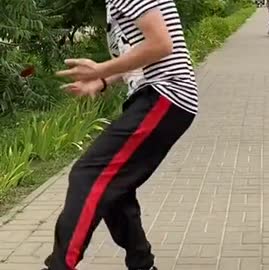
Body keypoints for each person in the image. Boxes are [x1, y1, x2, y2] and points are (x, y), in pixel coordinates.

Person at [42, 0, 198, 269]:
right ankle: (142, 263)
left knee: (88, 174)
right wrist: (103, 80)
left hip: (166, 94)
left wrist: (100, 69)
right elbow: (139, 54)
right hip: (156, 97)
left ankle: (59, 265)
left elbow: (161, 44)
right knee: (114, 185)